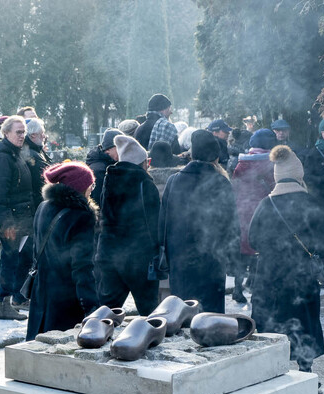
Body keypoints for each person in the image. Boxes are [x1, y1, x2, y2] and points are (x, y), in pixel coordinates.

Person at [248, 146, 324, 372]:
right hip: (302, 275)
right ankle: (305, 369)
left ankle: (272, 370)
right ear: (299, 174)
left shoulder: (266, 204)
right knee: (303, 321)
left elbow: (253, 240)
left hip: (269, 275)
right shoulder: (310, 204)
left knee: (272, 322)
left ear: (276, 175)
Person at [158, 130, 238, 313]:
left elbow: (163, 223)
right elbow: (231, 224)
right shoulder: (221, 182)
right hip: (212, 261)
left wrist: (164, 255)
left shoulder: (174, 181)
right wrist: (234, 259)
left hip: (180, 260)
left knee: (183, 314)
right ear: (216, 157)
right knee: (210, 317)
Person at [25, 162, 99, 339]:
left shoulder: (43, 206)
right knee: (60, 353)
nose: (91, 189)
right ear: (79, 187)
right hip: (66, 298)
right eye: (90, 185)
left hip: (41, 290)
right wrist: (91, 306)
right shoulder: (81, 215)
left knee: (37, 346)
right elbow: (82, 266)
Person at [95, 135, 161, 315]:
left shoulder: (110, 179)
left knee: (105, 312)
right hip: (138, 257)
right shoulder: (145, 183)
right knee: (149, 314)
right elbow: (154, 223)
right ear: (143, 162)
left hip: (109, 253)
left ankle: (93, 340)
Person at [0, 115, 34, 319]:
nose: (22, 136)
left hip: (19, 216)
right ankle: (4, 303)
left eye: (24, 132)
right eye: (18, 132)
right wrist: (6, 224)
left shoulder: (14, 153)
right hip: (11, 219)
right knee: (10, 260)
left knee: (10, 258)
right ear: (6, 133)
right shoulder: (3, 157)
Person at [230, 129, 277, 303]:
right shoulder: (270, 164)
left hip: (242, 212)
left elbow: (234, 188)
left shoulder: (241, 163)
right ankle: (255, 289)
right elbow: (274, 188)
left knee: (243, 253)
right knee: (260, 250)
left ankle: (237, 288)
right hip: (263, 213)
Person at [86, 128, 122, 207]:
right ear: (109, 149)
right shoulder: (99, 170)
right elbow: (99, 202)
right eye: (119, 147)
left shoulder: (109, 163)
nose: (122, 151)